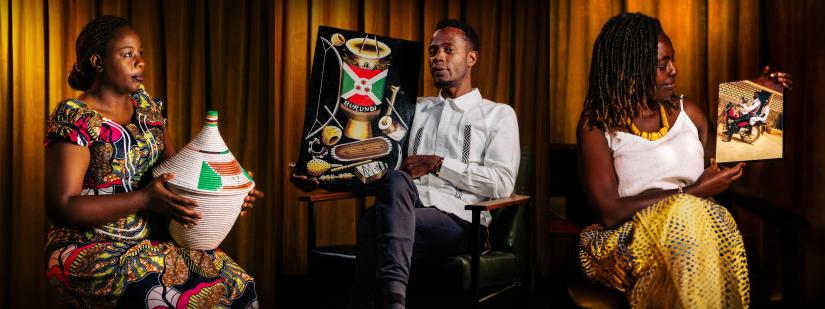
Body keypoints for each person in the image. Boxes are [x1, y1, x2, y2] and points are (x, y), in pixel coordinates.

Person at [292, 20, 520, 308]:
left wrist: (437, 164)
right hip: (407, 207)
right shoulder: (413, 109)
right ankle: (395, 299)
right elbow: (380, 161)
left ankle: (372, 302)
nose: (438, 57)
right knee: (397, 180)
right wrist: (323, 178)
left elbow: (501, 183)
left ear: (471, 58)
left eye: (449, 50)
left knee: (372, 221)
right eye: (433, 51)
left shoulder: (497, 115)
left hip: (462, 221)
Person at [44, 15, 264, 308]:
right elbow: (62, 208)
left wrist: (229, 190)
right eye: (127, 54)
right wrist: (145, 199)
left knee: (240, 287)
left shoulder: (147, 106)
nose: (140, 62)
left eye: (141, 53)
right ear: (98, 61)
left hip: (155, 237)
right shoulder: (75, 116)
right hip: (90, 247)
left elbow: (177, 177)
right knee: (178, 300)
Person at [576, 12, 791, 308]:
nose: (674, 71)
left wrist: (762, 107)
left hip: (702, 233)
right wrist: (691, 194)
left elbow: (744, 189)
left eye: (672, 61)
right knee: (688, 222)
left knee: (695, 230)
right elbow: (609, 212)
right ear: (630, 68)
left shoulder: (688, 112)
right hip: (634, 238)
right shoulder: (597, 124)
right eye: (662, 65)